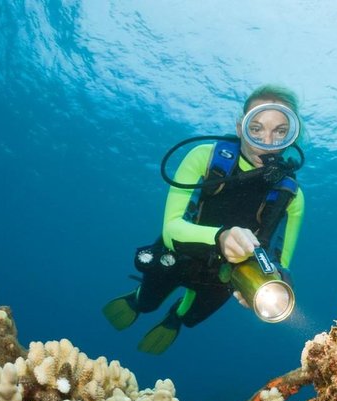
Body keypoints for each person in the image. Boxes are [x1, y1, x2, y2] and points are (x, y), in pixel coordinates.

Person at [102, 85, 305, 354]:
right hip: (176, 257)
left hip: (222, 279)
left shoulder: (292, 196)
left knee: (188, 318)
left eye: (280, 131)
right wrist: (220, 237)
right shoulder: (204, 157)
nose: (266, 142)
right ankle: (137, 300)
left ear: (291, 137)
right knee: (147, 303)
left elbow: (280, 264)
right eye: (256, 128)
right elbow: (171, 229)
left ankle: (175, 317)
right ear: (239, 127)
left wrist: (276, 280)